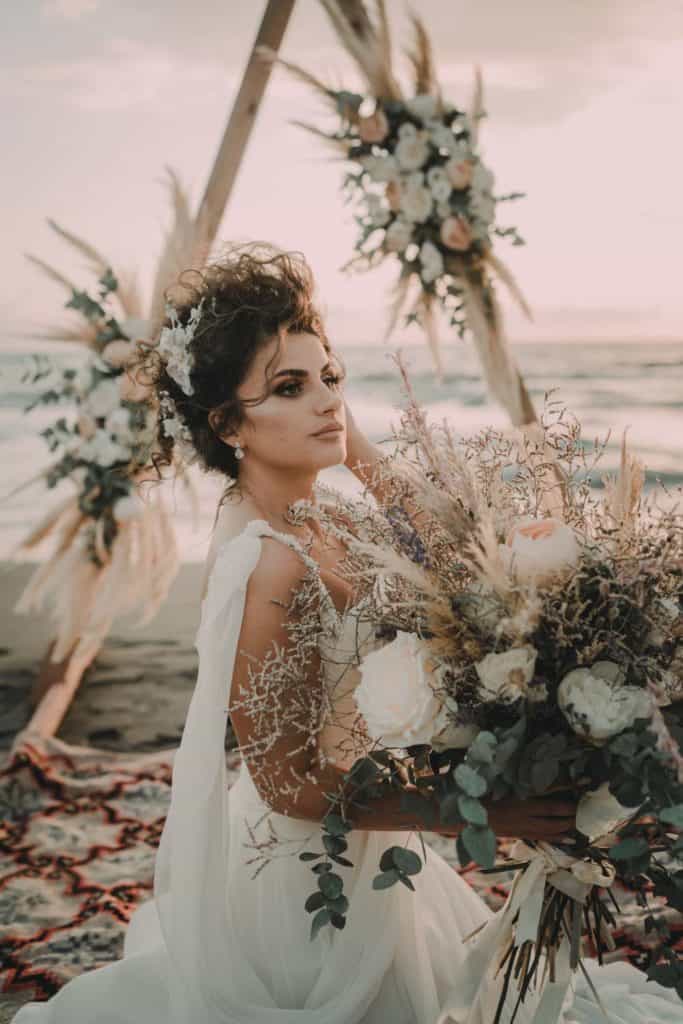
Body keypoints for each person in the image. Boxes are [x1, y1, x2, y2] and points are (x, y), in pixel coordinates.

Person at [13, 245, 682, 1022]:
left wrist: (346, 438)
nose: (326, 400)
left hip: (376, 835)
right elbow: (286, 783)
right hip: (308, 873)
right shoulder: (268, 564)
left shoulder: (318, 513)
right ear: (227, 423)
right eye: (288, 388)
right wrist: (480, 813)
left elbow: (445, 540)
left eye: (330, 377)